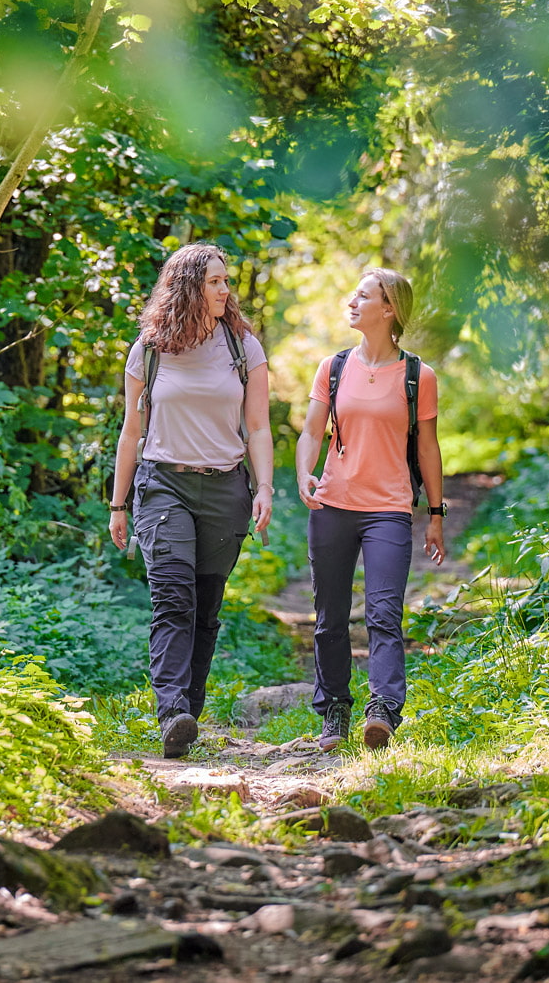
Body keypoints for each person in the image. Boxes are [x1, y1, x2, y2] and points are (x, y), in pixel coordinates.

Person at [109, 243, 273, 759]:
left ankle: (188, 714)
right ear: (188, 288)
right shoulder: (150, 350)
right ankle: (170, 710)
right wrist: (118, 504)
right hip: (163, 485)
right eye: (215, 282)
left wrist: (265, 487)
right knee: (173, 596)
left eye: (226, 281)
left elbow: (259, 426)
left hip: (226, 489)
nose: (225, 290)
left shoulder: (243, 346)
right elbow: (131, 431)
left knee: (205, 607)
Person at [295, 267, 445, 751]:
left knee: (384, 612)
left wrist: (436, 514)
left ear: (390, 309)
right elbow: (312, 432)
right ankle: (334, 710)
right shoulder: (333, 368)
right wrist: (305, 473)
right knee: (330, 617)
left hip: (389, 509)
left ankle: (382, 708)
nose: (352, 302)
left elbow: (428, 448)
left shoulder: (419, 376)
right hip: (333, 505)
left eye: (363, 296)